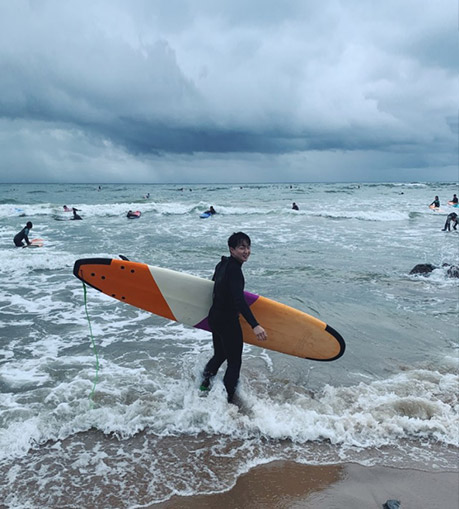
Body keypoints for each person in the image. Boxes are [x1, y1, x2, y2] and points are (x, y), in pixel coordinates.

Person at [200, 232, 267, 403]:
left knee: (219, 355)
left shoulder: (221, 265)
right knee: (234, 363)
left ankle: (203, 385)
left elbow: (213, 288)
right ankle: (227, 400)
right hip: (228, 321)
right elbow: (239, 300)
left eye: (248, 247)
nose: (246, 251)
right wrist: (255, 325)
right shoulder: (235, 271)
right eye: (241, 247)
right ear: (232, 249)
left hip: (214, 318)